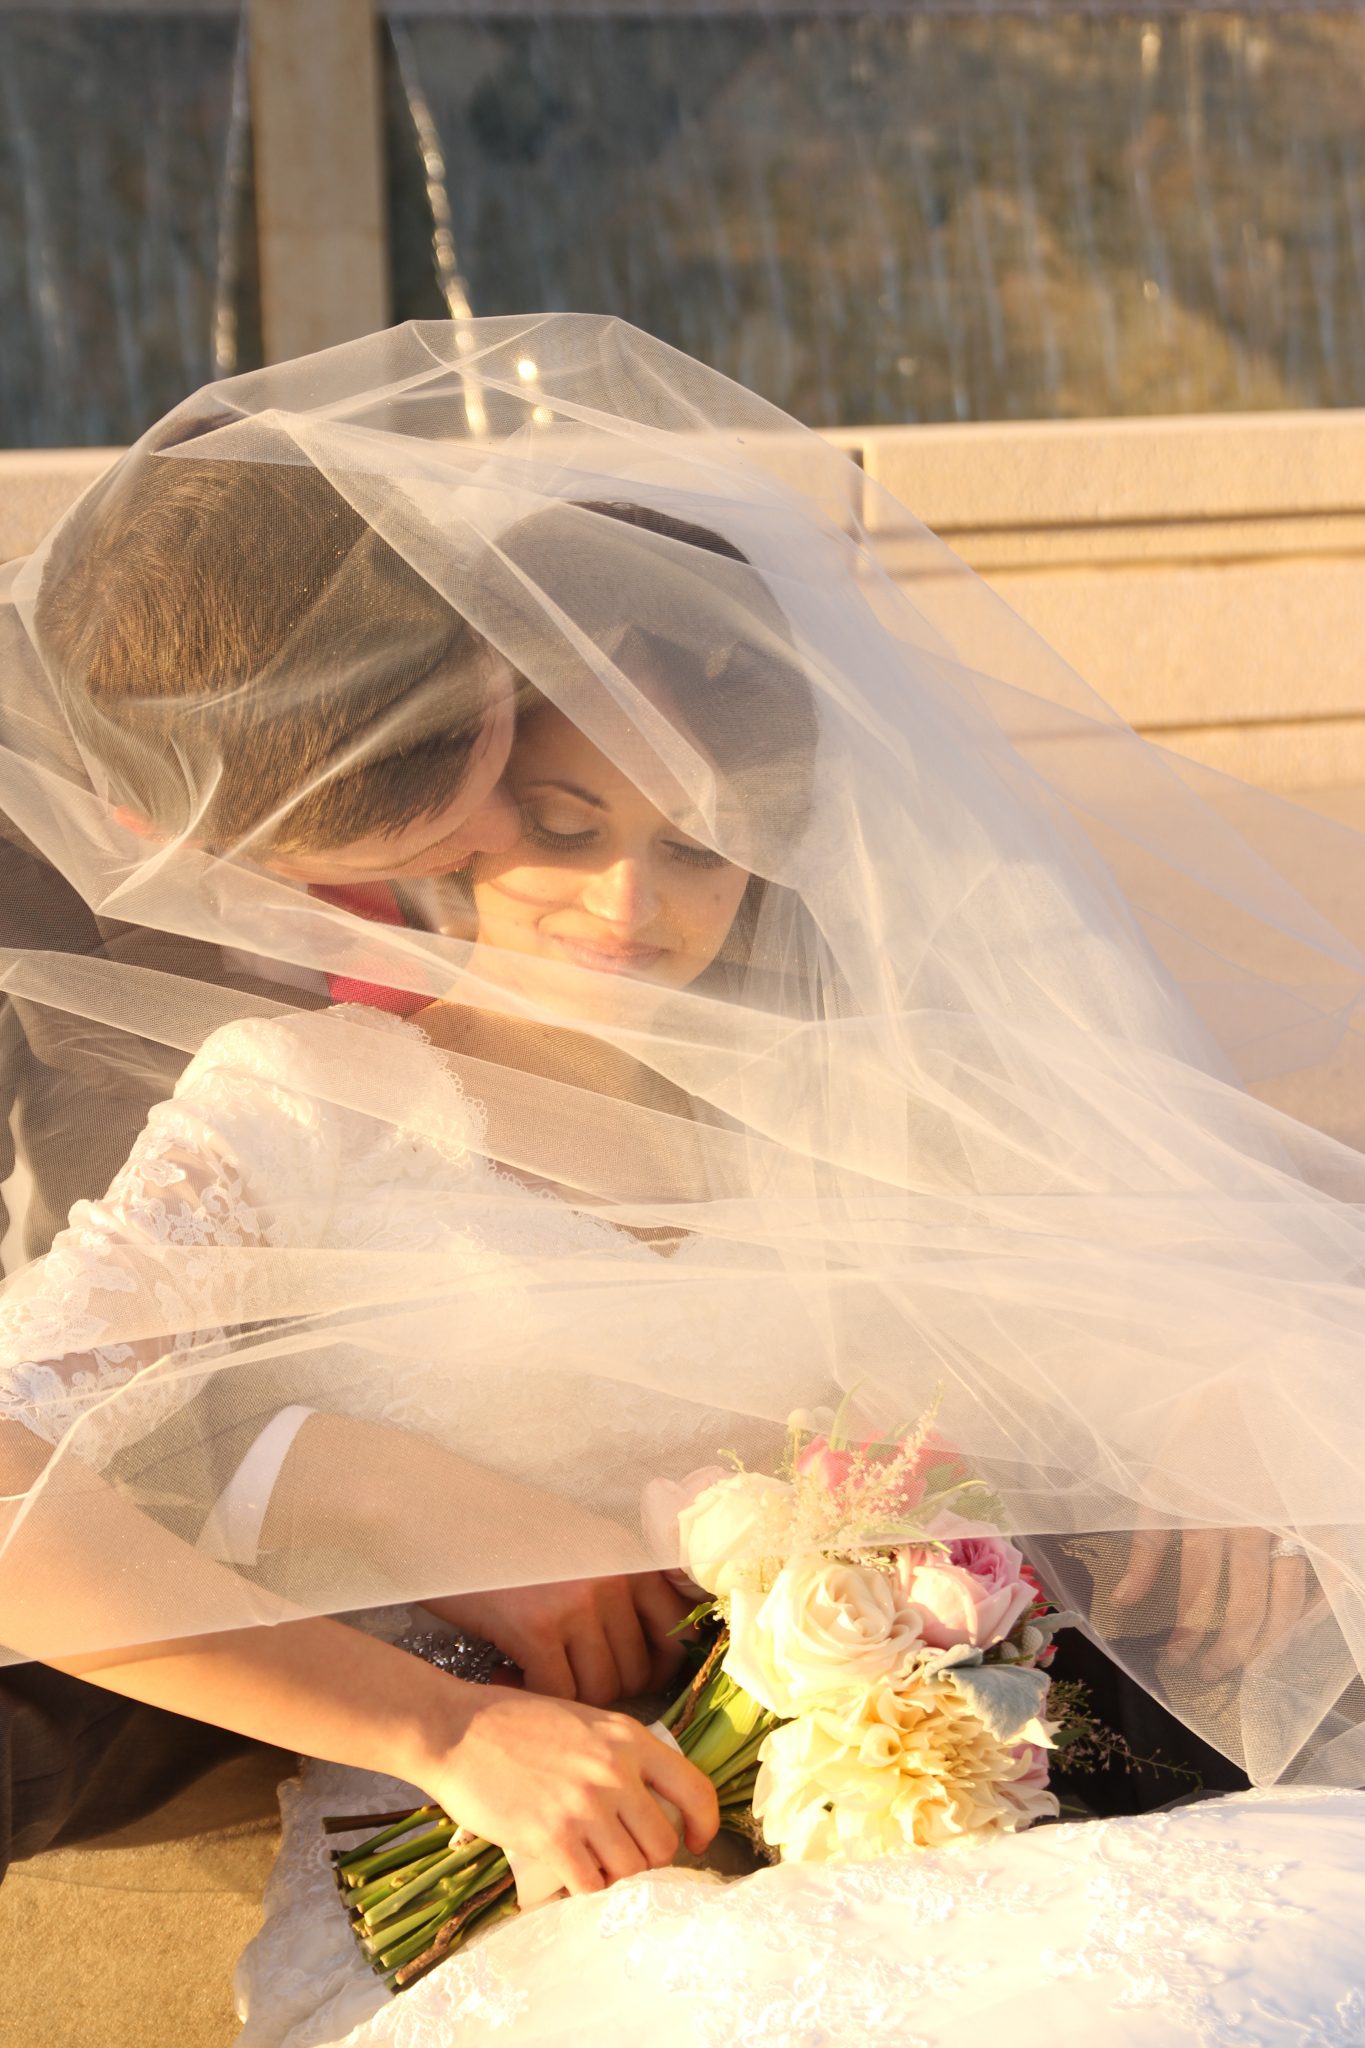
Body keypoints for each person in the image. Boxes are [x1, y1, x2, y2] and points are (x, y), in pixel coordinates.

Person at [2, 318, 1364, 2039]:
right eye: (564, 829)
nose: (630, 908)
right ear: (458, 816)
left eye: (703, 848)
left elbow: (1147, 1282)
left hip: (929, 1835)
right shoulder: (300, 1096)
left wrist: (1205, 1397)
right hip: (531, 1869)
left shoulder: (852, 1099)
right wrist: (437, 1725)